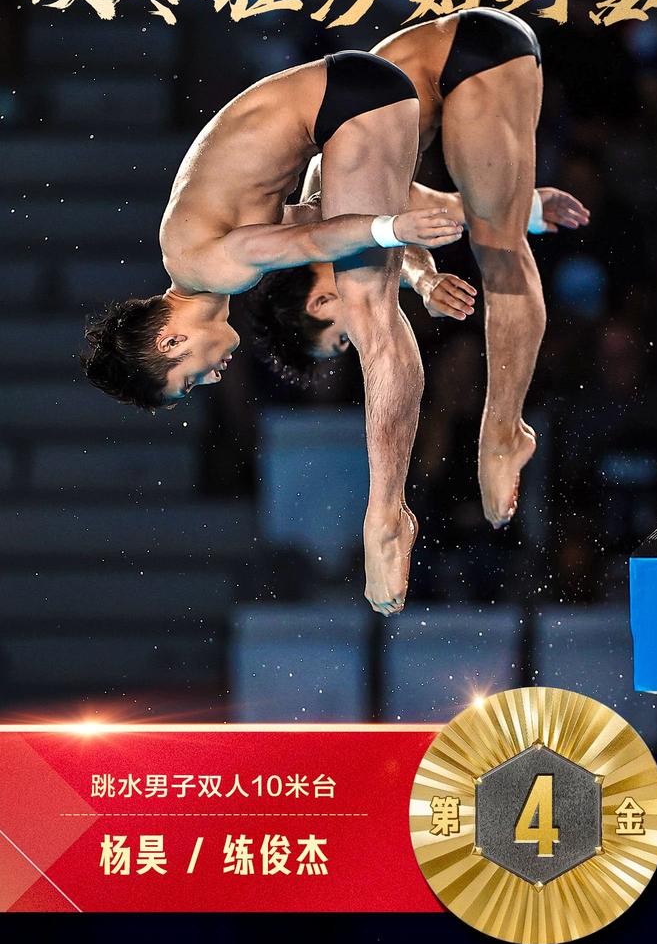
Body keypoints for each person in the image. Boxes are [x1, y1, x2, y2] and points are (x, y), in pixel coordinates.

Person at [81, 50, 465, 615]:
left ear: (170, 343)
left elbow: (315, 242)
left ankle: (385, 513)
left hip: (349, 101)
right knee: (363, 257)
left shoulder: (211, 269)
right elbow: (321, 222)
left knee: (369, 313)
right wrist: (418, 270)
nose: (210, 381)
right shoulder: (192, 251)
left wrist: (389, 230)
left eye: (188, 383)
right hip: (349, 95)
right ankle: (522, 211)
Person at [250, 9, 588, 530]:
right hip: (472, 54)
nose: (355, 342)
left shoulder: (321, 199)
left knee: (500, 248)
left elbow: (388, 229)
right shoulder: (332, 219)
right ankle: (501, 433)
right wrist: (526, 207)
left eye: (342, 340)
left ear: (318, 303)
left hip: (468, 53)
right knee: (496, 231)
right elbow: (414, 211)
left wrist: (426, 277)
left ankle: (504, 432)